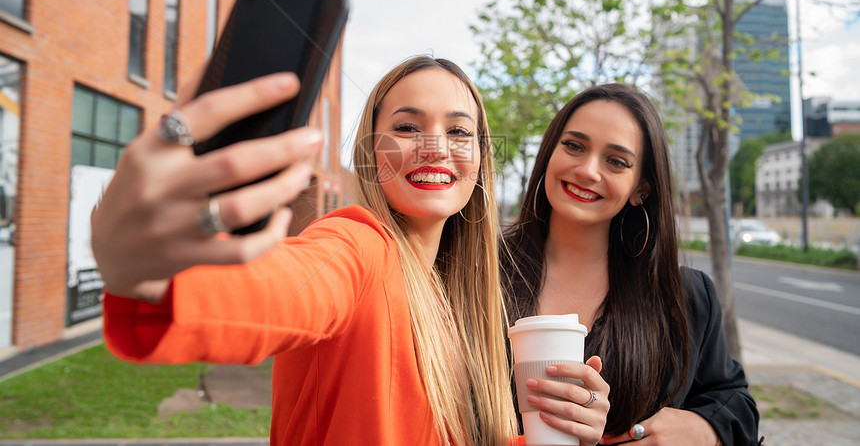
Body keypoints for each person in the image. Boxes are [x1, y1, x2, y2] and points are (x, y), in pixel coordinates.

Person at [91, 56, 609, 446]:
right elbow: (277, 289)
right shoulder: (357, 247)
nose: (434, 147)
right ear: (370, 154)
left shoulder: (455, 299)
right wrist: (153, 272)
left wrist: (570, 432)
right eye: (407, 128)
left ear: (480, 161)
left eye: (458, 131)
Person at [500, 83, 761, 445]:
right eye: (574, 146)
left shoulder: (684, 296)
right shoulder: (476, 271)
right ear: (549, 153)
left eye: (616, 162)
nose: (588, 170)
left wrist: (705, 430)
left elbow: (734, 401)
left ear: (642, 189)